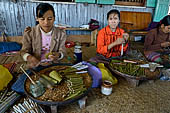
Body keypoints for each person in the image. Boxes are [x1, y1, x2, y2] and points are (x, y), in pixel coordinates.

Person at [21, 3, 67, 68]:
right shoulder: (30, 33)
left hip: (54, 65)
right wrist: (29, 57)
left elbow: (63, 51)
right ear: (37, 19)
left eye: (50, 18)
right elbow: (23, 52)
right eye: (42, 19)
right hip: (35, 65)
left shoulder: (61, 33)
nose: (46, 22)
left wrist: (59, 55)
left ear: (54, 18)